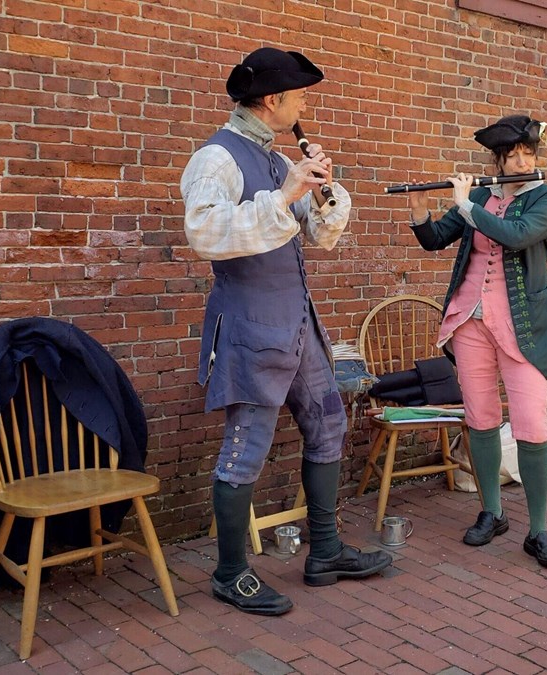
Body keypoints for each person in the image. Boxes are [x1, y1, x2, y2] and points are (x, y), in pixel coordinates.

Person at [180, 47, 391, 616]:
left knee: (327, 425)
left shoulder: (275, 160)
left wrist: (323, 191)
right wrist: (285, 194)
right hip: (251, 326)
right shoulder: (216, 158)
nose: (303, 106)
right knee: (246, 447)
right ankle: (229, 573)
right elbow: (205, 233)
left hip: (298, 321)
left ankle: (323, 551)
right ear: (272, 100)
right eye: (299, 97)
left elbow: (316, 236)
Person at [406, 114, 547, 567]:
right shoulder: (481, 195)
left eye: (527, 153)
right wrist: (420, 209)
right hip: (470, 321)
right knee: (480, 418)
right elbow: (436, 240)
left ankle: (538, 530)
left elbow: (517, 235)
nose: (519, 161)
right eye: (510, 155)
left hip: (523, 327)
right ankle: (492, 512)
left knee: (532, 424)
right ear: (496, 160)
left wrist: (466, 206)